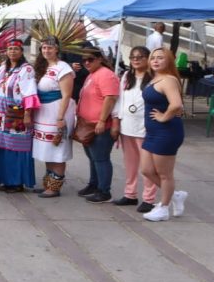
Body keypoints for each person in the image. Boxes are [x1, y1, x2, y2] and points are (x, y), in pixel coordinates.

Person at [139, 45, 187, 222]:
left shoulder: (169, 80)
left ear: (169, 60)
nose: (156, 61)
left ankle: (164, 208)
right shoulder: (154, 79)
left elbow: (176, 104)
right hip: (152, 132)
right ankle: (175, 196)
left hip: (167, 132)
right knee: (146, 170)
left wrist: (163, 117)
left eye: (160, 57)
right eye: (153, 58)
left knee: (165, 174)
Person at [111, 46, 158, 213]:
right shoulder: (126, 76)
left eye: (140, 57)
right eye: (133, 57)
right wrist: (116, 121)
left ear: (147, 59)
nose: (136, 60)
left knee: (147, 166)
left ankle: (149, 198)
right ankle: (130, 194)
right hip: (127, 126)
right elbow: (119, 100)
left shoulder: (154, 78)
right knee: (130, 164)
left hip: (145, 127)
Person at [0, 39, 39, 192]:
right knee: (1, 145)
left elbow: (29, 92)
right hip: (0, 112)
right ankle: (1, 178)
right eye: (10, 49)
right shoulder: (3, 67)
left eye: (16, 49)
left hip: (16, 112)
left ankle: (16, 181)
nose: (12, 52)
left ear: (21, 51)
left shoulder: (26, 69)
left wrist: (27, 114)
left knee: (16, 146)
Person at [32, 37, 76, 198]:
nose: (46, 51)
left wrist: (60, 117)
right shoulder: (42, 66)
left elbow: (66, 95)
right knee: (46, 148)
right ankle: (48, 183)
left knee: (56, 148)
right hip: (43, 112)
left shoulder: (63, 68)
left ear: (57, 49)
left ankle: (55, 187)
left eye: (50, 48)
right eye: (44, 48)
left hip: (57, 111)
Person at [76, 47, 119, 203]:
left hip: (100, 125)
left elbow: (110, 98)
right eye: (84, 60)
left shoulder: (106, 75)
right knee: (92, 157)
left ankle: (104, 191)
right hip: (88, 125)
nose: (87, 62)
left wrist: (102, 120)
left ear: (100, 59)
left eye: (91, 59)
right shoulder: (92, 75)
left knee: (100, 158)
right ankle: (94, 184)